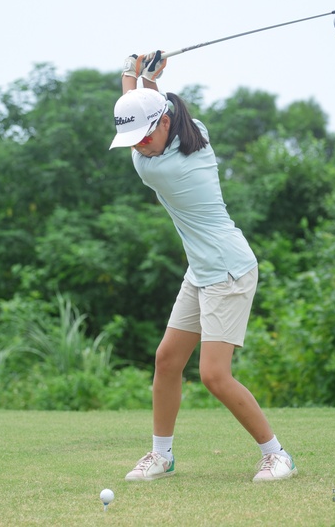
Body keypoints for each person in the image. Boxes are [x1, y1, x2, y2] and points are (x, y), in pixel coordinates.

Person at [109, 51, 298, 483]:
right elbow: (154, 112)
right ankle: (162, 456)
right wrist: (146, 80)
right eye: (133, 139)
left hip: (228, 270)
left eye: (142, 137)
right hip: (202, 269)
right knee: (167, 360)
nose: (138, 146)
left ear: (164, 124)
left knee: (213, 374)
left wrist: (130, 74)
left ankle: (277, 455)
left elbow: (146, 112)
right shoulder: (197, 135)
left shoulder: (158, 169)